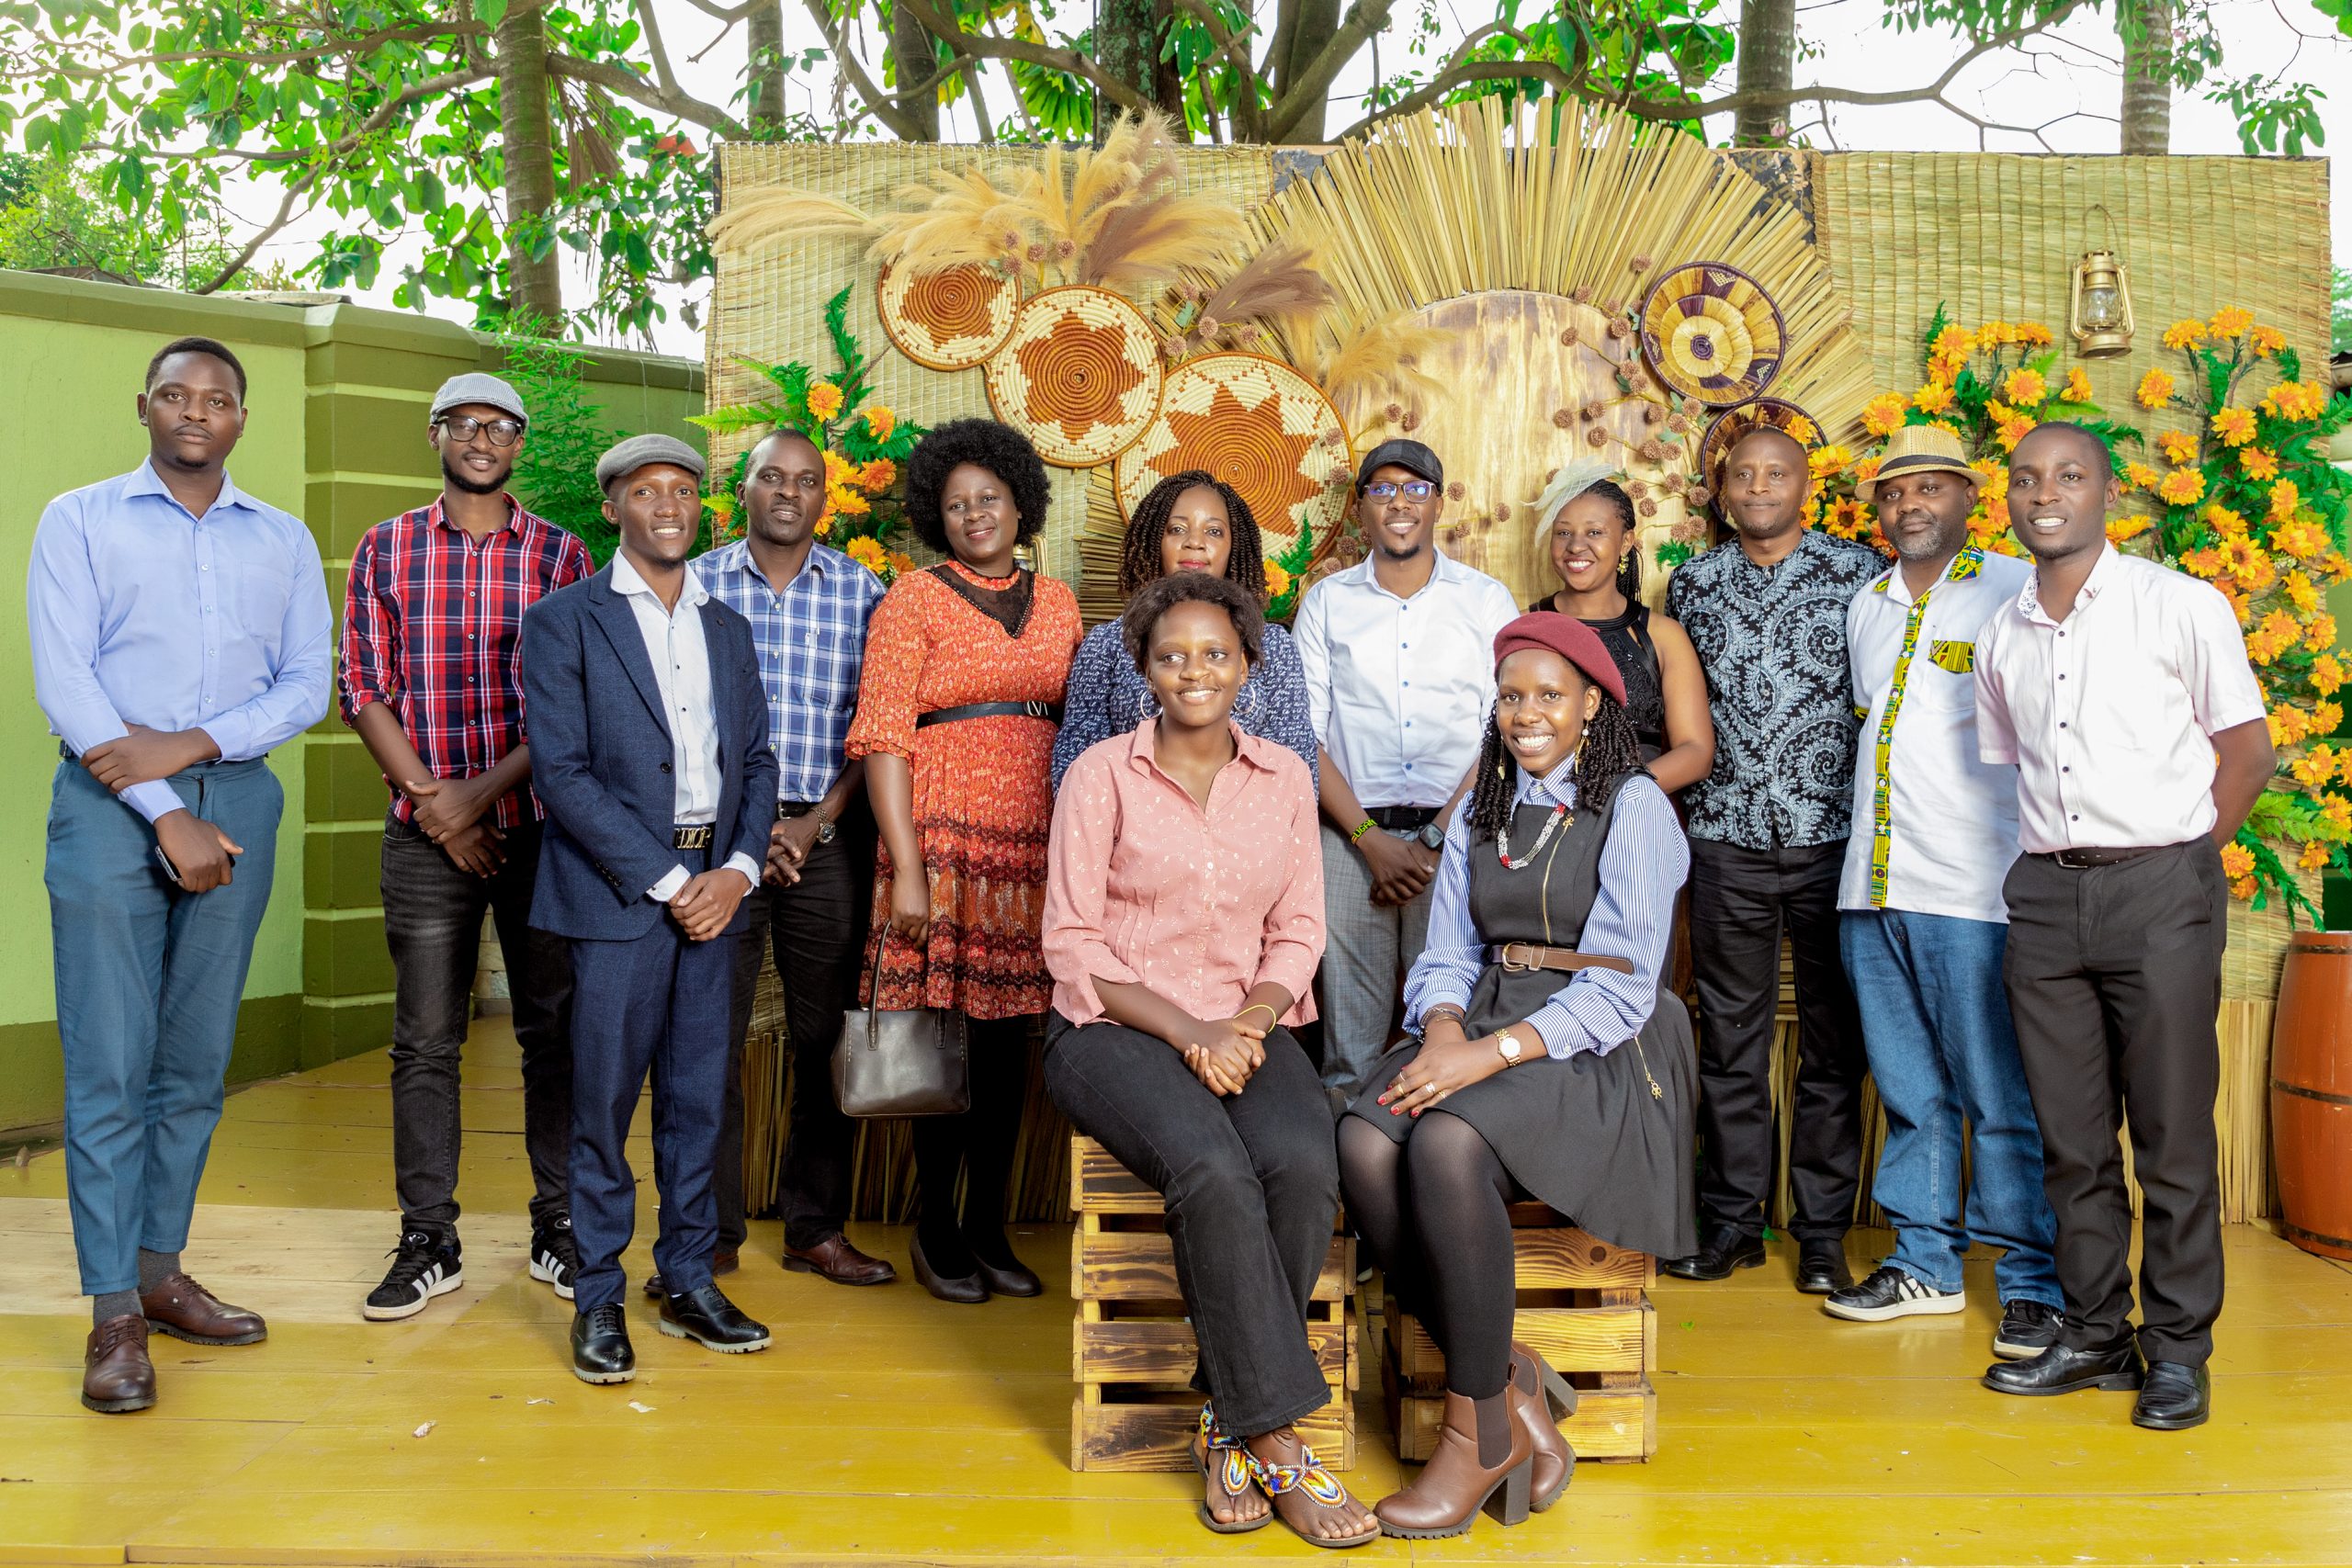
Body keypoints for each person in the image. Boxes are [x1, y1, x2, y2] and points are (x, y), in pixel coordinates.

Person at [1339, 612, 1693, 1539]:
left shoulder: (1634, 806)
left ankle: (1478, 1434)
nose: (1525, 713)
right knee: (1366, 1137)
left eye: (1548, 695)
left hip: (1597, 1043)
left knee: (1446, 1144)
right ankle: (1508, 1377)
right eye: (1509, 697)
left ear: (1591, 706)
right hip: (1484, 1016)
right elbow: (1447, 954)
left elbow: (1625, 984)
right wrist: (1442, 1031)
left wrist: (1480, 1059)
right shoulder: (1483, 808)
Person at [1043, 572, 1377, 1550]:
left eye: (1215, 653)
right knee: (1213, 1170)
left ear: (1248, 665)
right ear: (1144, 669)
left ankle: (1223, 1417)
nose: (1194, 670)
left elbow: (1299, 927)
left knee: (1305, 1164)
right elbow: (1072, 942)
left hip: (1248, 1021)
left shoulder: (1284, 777)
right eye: (1172, 655)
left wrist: (1249, 1022)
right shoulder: (1100, 774)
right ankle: (1273, 1438)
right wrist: (1193, 1034)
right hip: (1111, 1027)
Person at [28, 335, 333, 1413]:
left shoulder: (282, 539)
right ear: (145, 407)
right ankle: (114, 1312)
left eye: (217, 398)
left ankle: (160, 1273)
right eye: (175, 394)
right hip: (109, 802)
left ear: (241, 418)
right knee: (111, 1065)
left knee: (195, 1064)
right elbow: (66, 679)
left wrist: (195, 746)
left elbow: (307, 684)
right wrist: (164, 808)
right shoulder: (79, 520)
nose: (196, 410)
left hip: (237, 797)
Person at [1975, 421, 2273, 1432]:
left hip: (2161, 889)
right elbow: (2019, 765)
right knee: (2070, 1141)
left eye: (2068, 476)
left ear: (2108, 493)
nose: (2044, 494)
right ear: (2009, 500)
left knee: (2172, 1134)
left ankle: (2178, 1350)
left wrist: (2183, 861)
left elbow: (2247, 753)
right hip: (2045, 897)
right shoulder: (2002, 633)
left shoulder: (2180, 604)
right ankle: (2097, 1332)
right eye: (2026, 478)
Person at [521, 434, 778, 1383]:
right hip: (621, 899)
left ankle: (687, 1280)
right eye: (645, 491)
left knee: (698, 1100)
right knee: (602, 1102)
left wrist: (738, 870)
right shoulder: (564, 622)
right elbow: (562, 774)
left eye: (682, 490)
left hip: (719, 888)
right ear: (613, 508)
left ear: (700, 508)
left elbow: (757, 762)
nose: (668, 505)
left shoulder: (728, 629)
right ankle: (597, 1294)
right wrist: (671, 883)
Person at [339, 372, 590, 1321]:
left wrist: (473, 803)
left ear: (518, 444)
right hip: (422, 839)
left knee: (553, 1034)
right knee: (425, 1042)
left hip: (538, 833)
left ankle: (559, 1226)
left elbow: (574, 701)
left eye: (500, 427)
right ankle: (427, 1240)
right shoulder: (386, 546)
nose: (482, 439)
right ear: (435, 433)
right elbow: (362, 687)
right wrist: (434, 807)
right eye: (464, 424)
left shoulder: (563, 555)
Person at [1824, 424, 2063, 1359]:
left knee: (1999, 1094)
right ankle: (1924, 1261)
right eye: (1893, 492)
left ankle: (2032, 1284)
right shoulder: (1868, 604)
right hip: (1873, 883)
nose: (1909, 505)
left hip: (1974, 889)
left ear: (1969, 497)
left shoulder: (2015, 589)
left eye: (1930, 488)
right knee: (1910, 1089)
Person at [847, 417, 1080, 1304]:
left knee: (1005, 1045)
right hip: (939, 844)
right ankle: (935, 1226)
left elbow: (1082, 726)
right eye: (956, 504)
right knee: (941, 1039)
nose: (975, 514)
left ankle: (987, 1223)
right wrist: (905, 865)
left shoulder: (1059, 602)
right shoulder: (912, 599)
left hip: (1031, 850)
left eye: (990, 498)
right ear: (934, 516)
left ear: (1021, 505)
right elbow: (883, 737)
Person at [1662, 403, 1882, 1294]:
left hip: (1834, 839)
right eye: (1742, 474)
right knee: (1731, 1043)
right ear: (1721, 491)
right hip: (1726, 841)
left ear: (1806, 487)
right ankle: (1732, 1224)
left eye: (1776, 473)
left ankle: (1822, 1234)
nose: (1758, 486)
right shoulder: (1691, 585)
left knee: (1835, 1045)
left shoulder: (1859, 573)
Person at [670, 426, 895, 1292]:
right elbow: (677, 715)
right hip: (718, 842)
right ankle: (710, 1232)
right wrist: (748, 829)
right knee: (708, 1038)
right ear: (744, 489)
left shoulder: (863, 591)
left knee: (825, 1039)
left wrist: (816, 822)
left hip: (824, 841)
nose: (789, 493)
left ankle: (815, 1227)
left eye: (806, 481)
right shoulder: (696, 584)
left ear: (824, 499)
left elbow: (878, 725)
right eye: (773, 477)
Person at [1294, 439, 1519, 1097]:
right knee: (1349, 1048)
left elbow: (1504, 728)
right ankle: (1349, 1159)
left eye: (1416, 488)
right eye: (1383, 488)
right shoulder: (1327, 602)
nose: (1399, 502)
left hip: (1459, 837)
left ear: (1438, 504)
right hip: (1347, 839)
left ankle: (1434, 1158)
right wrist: (1370, 840)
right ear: (1360, 506)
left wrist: (1434, 836)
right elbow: (1304, 738)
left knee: (1446, 1023)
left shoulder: (1485, 600)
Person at [1050, 470, 1316, 790]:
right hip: (1132, 818)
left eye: (1214, 531)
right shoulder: (1105, 645)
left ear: (1234, 545)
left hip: (1250, 817)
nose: (1195, 542)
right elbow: (1076, 771)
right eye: (1177, 529)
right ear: (1154, 541)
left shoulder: (1272, 645)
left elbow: (1295, 770)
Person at [1526, 461, 1713, 793]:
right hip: (1541, 809)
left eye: (1594, 532)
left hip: (1636, 810)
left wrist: (1610, 796)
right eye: (1564, 532)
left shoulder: (1663, 636)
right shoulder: (1524, 628)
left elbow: (1696, 753)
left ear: (1626, 542)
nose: (1575, 546)